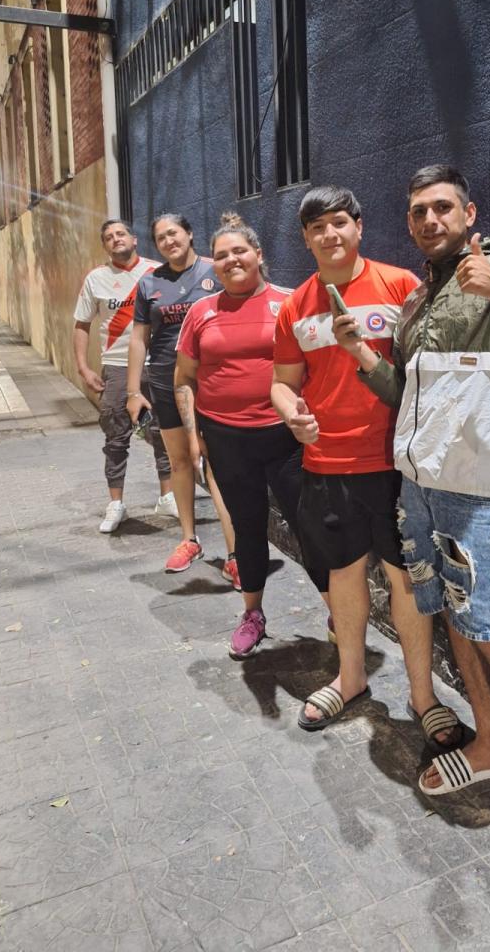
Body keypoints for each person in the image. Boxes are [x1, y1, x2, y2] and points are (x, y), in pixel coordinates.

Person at [337, 164, 490, 873]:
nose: (429, 220)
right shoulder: (418, 300)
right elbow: (409, 393)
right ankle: (488, 743)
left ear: (469, 213)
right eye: (418, 211)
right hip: (419, 484)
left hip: (478, 490)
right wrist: (360, 354)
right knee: (453, 614)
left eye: (442, 207)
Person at [271, 186, 463, 748]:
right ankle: (350, 678)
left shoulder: (401, 285)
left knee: (407, 581)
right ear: (306, 239)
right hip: (327, 464)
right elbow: (282, 384)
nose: (329, 236)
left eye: (338, 223)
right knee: (344, 574)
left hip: (396, 463)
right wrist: (293, 416)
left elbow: (425, 377)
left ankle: (423, 695)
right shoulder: (295, 305)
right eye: (316, 229)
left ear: (358, 227)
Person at [174, 213, 329, 657]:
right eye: (221, 255)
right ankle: (253, 615)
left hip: (285, 438)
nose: (230, 260)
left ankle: (337, 611)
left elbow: (316, 368)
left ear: (259, 255)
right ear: (213, 264)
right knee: (246, 529)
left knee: (311, 528)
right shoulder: (201, 313)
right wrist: (193, 436)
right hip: (226, 439)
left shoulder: (290, 302)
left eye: (239, 251)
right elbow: (184, 377)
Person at [126, 213, 236, 577]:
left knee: (219, 464)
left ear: (189, 234)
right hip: (163, 381)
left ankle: (237, 554)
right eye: (160, 238)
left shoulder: (214, 271)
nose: (168, 241)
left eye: (173, 233)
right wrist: (132, 391)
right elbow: (139, 340)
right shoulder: (149, 284)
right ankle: (189, 538)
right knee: (179, 463)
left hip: (212, 380)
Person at [73, 219, 174, 533]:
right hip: (117, 367)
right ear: (105, 246)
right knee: (116, 435)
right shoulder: (96, 279)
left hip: (156, 364)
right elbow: (81, 324)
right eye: (108, 237)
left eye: (120, 233)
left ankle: (167, 495)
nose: (115, 239)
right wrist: (83, 367)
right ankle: (116, 502)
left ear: (133, 238)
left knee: (162, 433)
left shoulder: (158, 272)